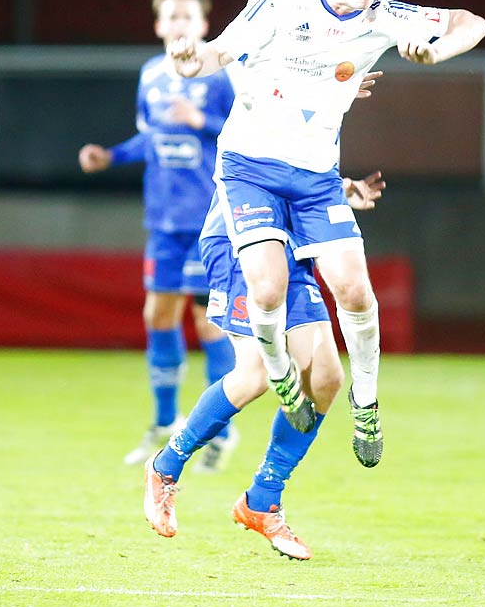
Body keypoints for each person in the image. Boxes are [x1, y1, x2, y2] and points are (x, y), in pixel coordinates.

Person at [168, 0, 485, 468]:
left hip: (313, 183)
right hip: (248, 179)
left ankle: (364, 408)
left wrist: (437, 51)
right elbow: (220, 56)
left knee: (355, 296)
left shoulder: (381, 16)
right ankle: (179, 456)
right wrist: (189, 59)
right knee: (262, 324)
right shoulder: (282, 3)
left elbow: (470, 22)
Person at [143, 171, 385, 560]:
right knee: (254, 375)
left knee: (325, 378)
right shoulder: (261, 106)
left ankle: (262, 498)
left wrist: (337, 187)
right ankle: (165, 466)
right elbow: (255, 155)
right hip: (242, 236)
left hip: (293, 239)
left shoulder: (330, 111)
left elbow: (300, 157)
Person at [79, 0, 239, 470]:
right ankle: (166, 422)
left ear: (205, 25)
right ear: (158, 24)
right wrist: (111, 155)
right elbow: (149, 139)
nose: (179, 24)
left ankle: (220, 431)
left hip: (208, 218)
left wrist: (201, 121)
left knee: (209, 322)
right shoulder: (151, 75)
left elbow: (246, 135)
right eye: (171, 16)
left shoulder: (221, 76)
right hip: (164, 219)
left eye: (188, 17)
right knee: (157, 316)